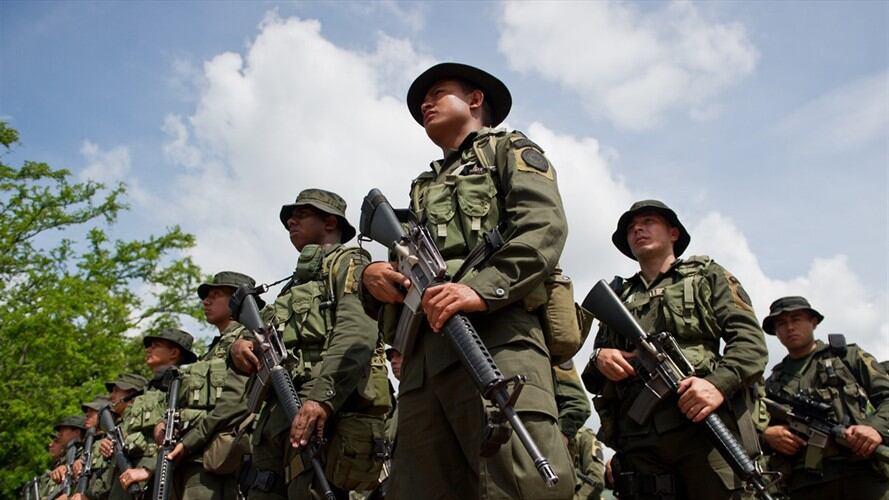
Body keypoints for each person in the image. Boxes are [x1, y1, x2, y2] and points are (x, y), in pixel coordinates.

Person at [361, 62, 574, 499]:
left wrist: (481, 288)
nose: (425, 103)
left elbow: (543, 228)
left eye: (438, 92)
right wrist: (378, 276)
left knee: (518, 482)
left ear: (475, 101)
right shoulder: (422, 186)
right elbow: (407, 263)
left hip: (497, 341)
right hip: (425, 360)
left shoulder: (509, 149)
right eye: (424, 100)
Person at [582, 199, 768, 499]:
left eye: (648, 221)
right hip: (640, 440)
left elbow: (750, 344)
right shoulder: (618, 297)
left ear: (673, 233)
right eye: (631, 227)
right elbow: (594, 370)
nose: (638, 229)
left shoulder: (707, 275)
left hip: (703, 427)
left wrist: (717, 385)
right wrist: (601, 358)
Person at [230, 189, 390, 500]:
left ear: (330, 222)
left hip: (323, 413)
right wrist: (240, 347)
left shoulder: (349, 261)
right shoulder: (293, 285)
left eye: (301, 214)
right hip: (278, 419)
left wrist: (322, 398)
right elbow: (263, 338)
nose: (290, 220)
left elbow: (357, 331)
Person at [761, 296, 889, 499]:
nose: (789, 327)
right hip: (806, 484)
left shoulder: (847, 357)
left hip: (864, 473)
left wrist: (874, 429)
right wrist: (767, 435)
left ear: (813, 322)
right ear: (775, 332)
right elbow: (752, 428)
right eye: (781, 323)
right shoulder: (772, 385)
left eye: (796, 319)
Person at [159, 272, 257, 499]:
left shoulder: (248, 341)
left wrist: (190, 441)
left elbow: (237, 400)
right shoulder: (212, 351)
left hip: (222, 456)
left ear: (238, 299)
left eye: (216, 294)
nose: (206, 301)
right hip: (196, 456)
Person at [103, 329, 197, 499]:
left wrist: (149, 469)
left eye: (156, 346)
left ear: (174, 352)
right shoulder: (146, 392)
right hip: (127, 477)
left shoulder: (184, 385)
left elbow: (187, 435)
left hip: (160, 480)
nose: (148, 349)